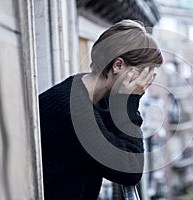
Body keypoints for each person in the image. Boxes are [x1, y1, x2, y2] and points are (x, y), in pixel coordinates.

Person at [39, 19, 163, 199]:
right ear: (118, 65)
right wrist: (129, 102)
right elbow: (129, 171)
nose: (144, 85)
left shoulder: (97, 99)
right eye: (143, 73)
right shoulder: (72, 108)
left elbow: (122, 147)